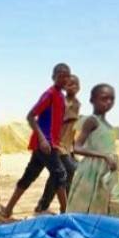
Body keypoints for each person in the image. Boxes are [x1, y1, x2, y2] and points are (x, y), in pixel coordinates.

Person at [0, 63, 71, 219]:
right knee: (60, 174)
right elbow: (31, 116)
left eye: (67, 76)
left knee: (29, 176)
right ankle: (66, 213)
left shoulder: (61, 97)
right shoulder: (49, 95)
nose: (64, 78)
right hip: (44, 144)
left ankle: (8, 210)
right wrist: (43, 139)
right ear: (54, 77)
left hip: (50, 144)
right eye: (61, 75)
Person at [68, 84, 119, 216]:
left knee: (116, 206)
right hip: (91, 172)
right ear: (92, 100)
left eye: (111, 99)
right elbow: (77, 148)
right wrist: (104, 156)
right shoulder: (92, 121)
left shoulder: (107, 125)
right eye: (104, 98)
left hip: (107, 172)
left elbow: (106, 149)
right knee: (88, 206)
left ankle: (105, 232)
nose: (108, 102)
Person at [36, 74, 81, 213]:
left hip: (67, 147)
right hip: (56, 144)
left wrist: (73, 148)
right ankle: (64, 208)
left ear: (79, 87)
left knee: (58, 175)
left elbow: (72, 128)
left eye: (75, 84)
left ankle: (43, 205)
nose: (72, 86)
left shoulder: (77, 104)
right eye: (69, 84)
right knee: (70, 170)